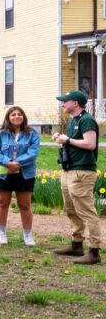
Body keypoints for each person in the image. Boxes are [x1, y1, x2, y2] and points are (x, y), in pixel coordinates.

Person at [52, 90, 102, 264]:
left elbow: (90, 144)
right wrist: (61, 138)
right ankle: (76, 244)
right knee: (71, 209)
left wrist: (67, 140)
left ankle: (94, 251)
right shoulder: (73, 120)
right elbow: (73, 141)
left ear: (75, 103)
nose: (62, 104)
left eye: (65, 101)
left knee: (86, 212)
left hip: (82, 172)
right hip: (69, 170)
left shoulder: (86, 120)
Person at [0, 106, 40, 246]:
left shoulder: (32, 134)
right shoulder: (0, 134)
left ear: (23, 117)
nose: (17, 117)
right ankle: (1, 233)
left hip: (25, 174)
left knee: (25, 205)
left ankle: (28, 235)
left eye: (19, 114)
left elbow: (33, 153)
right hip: (4, 174)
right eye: (13, 115)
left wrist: (15, 164)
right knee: (3, 203)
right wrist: (8, 163)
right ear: (8, 118)